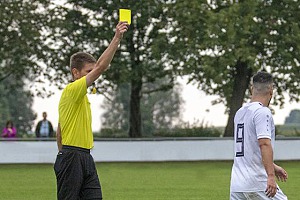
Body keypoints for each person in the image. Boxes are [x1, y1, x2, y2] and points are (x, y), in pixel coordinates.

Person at [54, 21, 128, 200]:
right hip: (72, 157)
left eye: (92, 71)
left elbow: (60, 128)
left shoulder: (80, 97)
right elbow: (102, 66)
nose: (93, 74)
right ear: (75, 73)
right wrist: (117, 38)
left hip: (85, 157)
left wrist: (61, 152)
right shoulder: (72, 90)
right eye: (89, 71)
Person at [230, 71, 288, 200]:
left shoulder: (240, 113)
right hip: (257, 182)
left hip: (237, 185)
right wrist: (271, 176)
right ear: (271, 90)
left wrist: (273, 166)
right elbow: (264, 144)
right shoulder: (262, 112)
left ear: (252, 89)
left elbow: (249, 149)